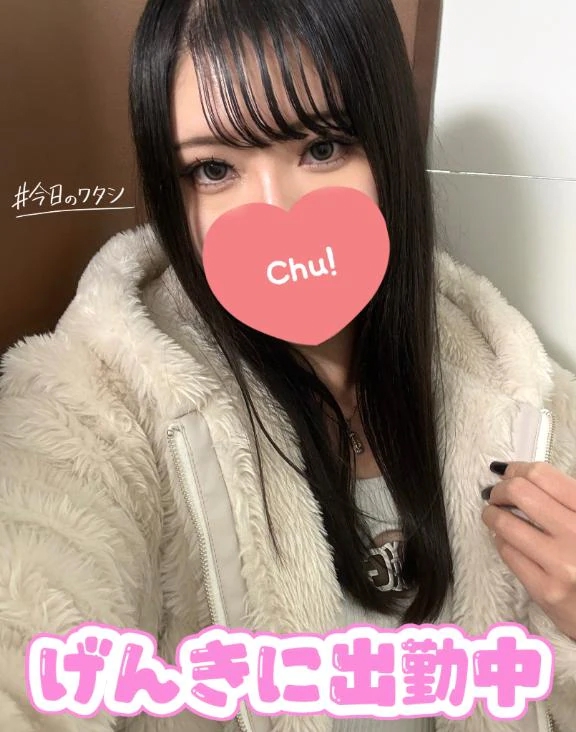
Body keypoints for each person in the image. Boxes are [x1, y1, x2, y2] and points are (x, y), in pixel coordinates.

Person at [0, 0, 575, 730]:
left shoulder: (523, 397)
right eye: (214, 169)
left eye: (323, 147)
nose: (276, 213)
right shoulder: (99, 397)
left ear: (389, 148)